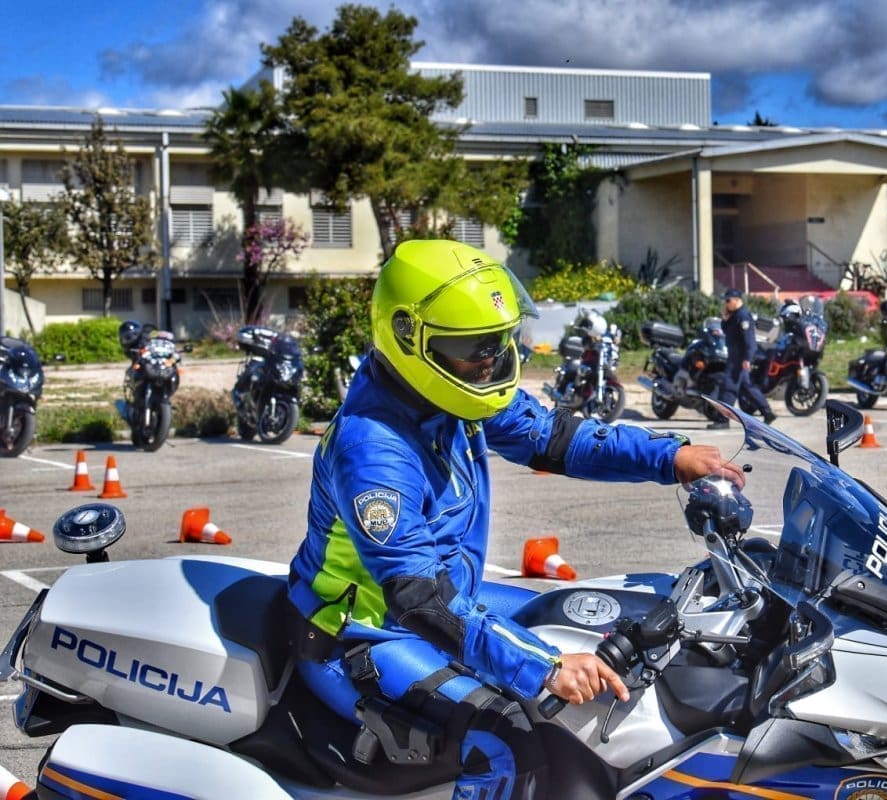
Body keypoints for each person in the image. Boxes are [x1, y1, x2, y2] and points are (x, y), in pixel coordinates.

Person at [286, 240, 743, 800]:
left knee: (596, 616)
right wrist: (545, 667)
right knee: (507, 741)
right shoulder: (374, 451)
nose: (493, 359)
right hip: (365, 635)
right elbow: (419, 598)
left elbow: (553, 436)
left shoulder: (451, 391)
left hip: (447, 599)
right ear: (409, 337)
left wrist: (670, 457)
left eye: (501, 339)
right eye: (476, 345)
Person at [708, 288, 776, 429]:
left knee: (728, 388)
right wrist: (725, 319)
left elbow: (749, 341)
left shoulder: (743, 316)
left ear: (736, 300)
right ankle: (767, 412)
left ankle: (723, 420)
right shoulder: (734, 316)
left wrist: (747, 359)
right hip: (735, 357)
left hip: (739, 359)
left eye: (728, 301)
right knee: (747, 387)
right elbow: (727, 331)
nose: (726, 303)